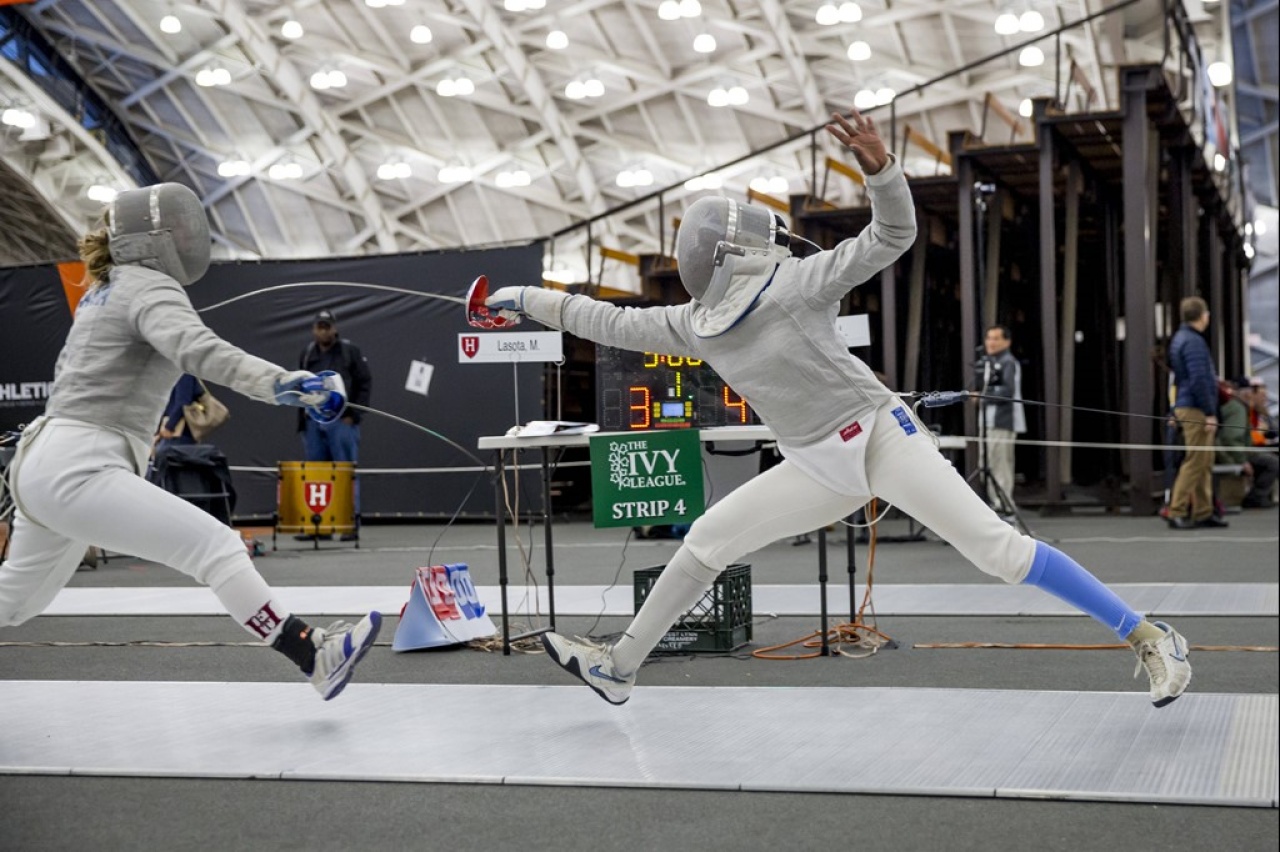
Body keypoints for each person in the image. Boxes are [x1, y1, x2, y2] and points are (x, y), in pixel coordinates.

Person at [486, 108, 1191, 709]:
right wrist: (521, 301)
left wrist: (518, 299)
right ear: (737, 253)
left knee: (1000, 552)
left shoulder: (762, 296)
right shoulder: (735, 306)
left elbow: (891, 236)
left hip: (883, 436)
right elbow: (597, 319)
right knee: (707, 539)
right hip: (817, 465)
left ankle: (1150, 635)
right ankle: (618, 669)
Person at [0, 183, 380, 700]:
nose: (186, 236)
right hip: (80, 465)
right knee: (217, 545)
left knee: (14, 603)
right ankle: (313, 653)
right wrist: (282, 383)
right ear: (151, 238)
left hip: (42, 461)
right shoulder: (148, 287)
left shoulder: (105, 287)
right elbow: (201, 350)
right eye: (175, 228)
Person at [297, 310, 371, 541]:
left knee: (345, 471)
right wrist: (303, 420)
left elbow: (364, 382)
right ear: (313, 329)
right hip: (314, 421)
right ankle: (322, 526)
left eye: (327, 326)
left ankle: (350, 524)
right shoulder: (308, 353)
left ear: (335, 328)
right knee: (316, 474)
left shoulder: (350, 352)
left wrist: (354, 415)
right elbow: (300, 386)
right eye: (319, 326)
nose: (323, 331)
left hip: (341, 421)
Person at [1166, 297, 1226, 529]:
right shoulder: (1194, 343)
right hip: (1196, 408)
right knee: (1195, 461)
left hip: (1185, 404)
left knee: (1202, 461)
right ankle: (1177, 510)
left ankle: (1203, 511)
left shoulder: (1180, 339)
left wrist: (1173, 409)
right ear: (1202, 316)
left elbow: (1178, 380)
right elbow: (1200, 379)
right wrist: (1210, 412)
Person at [974, 324, 1025, 514]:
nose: (991, 342)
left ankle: (1004, 504)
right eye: (989, 338)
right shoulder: (990, 361)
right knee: (987, 462)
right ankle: (997, 502)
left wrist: (982, 395)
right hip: (987, 420)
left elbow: (1007, 391)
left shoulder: (1007, 362)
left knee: (1000, 464)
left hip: (1002, 420)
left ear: (1007, 342)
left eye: (996, 338)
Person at [1239, 377, 1278, 507]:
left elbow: (1274, 430)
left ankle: (1263, 495)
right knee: (1272, 462)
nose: (1265, 399)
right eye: (1262, 395)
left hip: (1262, 446)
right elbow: (1247, 435)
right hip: (1251, 449)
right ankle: (1256, 496)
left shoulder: (1263, 413)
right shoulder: (1246, 411)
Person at [155, 373, 204, 452]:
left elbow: (183, 403)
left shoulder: (183, 374)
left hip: (178, 432)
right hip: (175, 432)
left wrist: (169, 427)